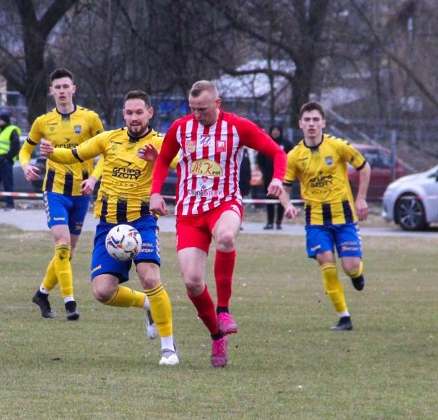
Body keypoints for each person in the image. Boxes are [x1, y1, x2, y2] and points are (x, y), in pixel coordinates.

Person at [149, 80, 287, 368]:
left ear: (217, 103)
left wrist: (277, 178)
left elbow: (277, 153)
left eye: (202, 109)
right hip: (189, 213)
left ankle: (224, 310)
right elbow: (163, 160)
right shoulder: (181, 128)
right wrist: (155, 193)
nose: (197, 114)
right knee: (192, 282)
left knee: (226, 237)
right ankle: (216, 335)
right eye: (193, 109)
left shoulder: (237, 127)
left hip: (225, 203)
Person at [39, 90, 178, 365]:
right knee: (103, 292)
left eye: (139, 112)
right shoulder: (109, 138)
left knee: (150, 278)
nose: (134, 117)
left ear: (150, 113)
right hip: (109, 227)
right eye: (129, 112)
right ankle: (148, 304)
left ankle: (168, 348)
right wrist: (52, 152)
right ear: (123, 114)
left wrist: (157, 161)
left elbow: (183, 166)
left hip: (143, 222)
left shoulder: (161, 143)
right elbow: (76, 154)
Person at [19, 67, 104, 320]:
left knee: (68, 252)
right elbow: (25, 151)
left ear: (73, 89)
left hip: (81, 192)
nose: (62, 91)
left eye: (66, 86)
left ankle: (42, 294)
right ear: (51, 91)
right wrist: (26, 166)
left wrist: (94, 178)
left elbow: (106, 153)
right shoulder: (43, 122)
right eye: (58, 87)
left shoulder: (90, 119)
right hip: (55, 191)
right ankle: (70, 303)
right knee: (63, 245)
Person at [278, 101, 370, 331]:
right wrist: (287, 205)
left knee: (350, 267)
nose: (311, 124)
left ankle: (356, 274)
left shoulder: (338, 146)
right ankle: (344, 317)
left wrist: (361, 198)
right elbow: (283, 188)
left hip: (345, 217)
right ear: (300, 124)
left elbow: (364, 167)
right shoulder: (294, 155)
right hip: (316, 221)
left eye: (315, 119)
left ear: (323, 123)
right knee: (326, 263)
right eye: (307, 120)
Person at [257, 125, 293, 229]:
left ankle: (278, 223)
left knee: (282, 199)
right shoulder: (266, 142)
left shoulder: (286, 144)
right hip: (269, 177)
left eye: (277, 130)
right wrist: (264, 170)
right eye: (274, 130)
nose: (275, 132)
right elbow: (260, 158)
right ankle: (269, 222)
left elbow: (291, 158)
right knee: (269, 200)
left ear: (280, 131)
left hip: (282, 177)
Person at [0, 113, 21, 211]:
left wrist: (7, 158)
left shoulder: (12, 130)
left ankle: (10, 205)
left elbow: (15, 146)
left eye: (0, 120)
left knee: (8, 183)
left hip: (5, 162)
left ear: (5, 121)